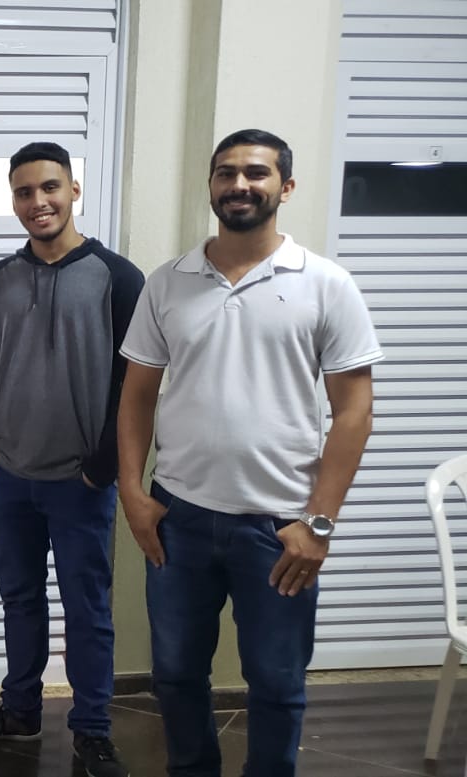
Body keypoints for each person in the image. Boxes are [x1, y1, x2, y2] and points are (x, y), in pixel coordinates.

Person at [118, 129, 380, 776]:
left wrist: (319, 523)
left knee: (277, 682)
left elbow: (354, 412)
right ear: (210, 185)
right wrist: (132, 491)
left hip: (280, 526)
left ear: (285, 187)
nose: (239, 184)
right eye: (226, 172)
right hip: (178, 519)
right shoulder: (168, 282)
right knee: (175, 674)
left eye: (256, 173)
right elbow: (136, 396)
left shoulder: (326, 283)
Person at [0, 142, 142, 777]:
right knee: (20, 598)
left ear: (73, 190)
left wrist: (103, 466)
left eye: (50, 187)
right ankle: (20, 710)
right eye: (24, 192)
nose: (38, 202)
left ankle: (92, 730)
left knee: (88, 609)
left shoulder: (118, 277)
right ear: (13, 200)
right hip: (8, 473)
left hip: (81, 479)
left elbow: (132, 383)